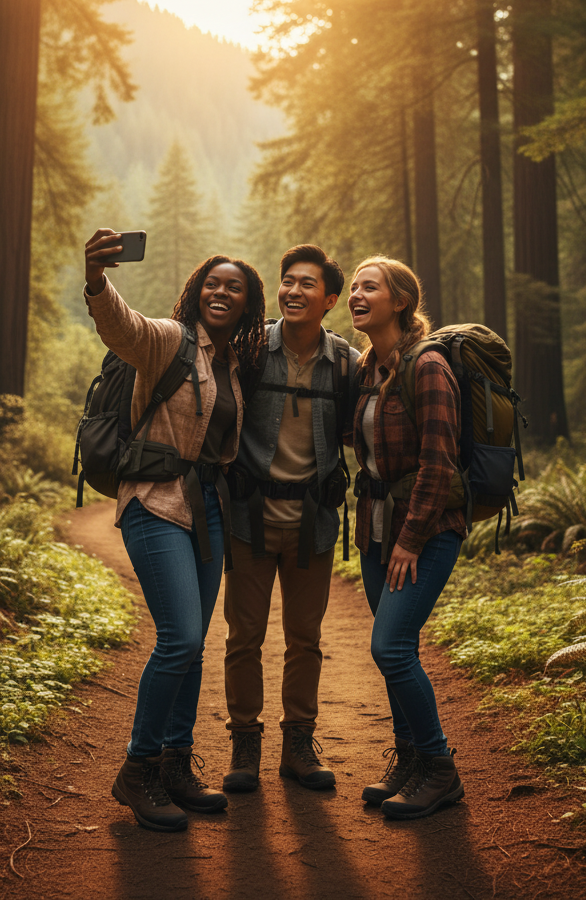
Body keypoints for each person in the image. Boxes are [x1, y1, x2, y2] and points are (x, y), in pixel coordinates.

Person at [83, 227, 266, 832]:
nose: (221, 291)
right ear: (196, 291)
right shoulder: (168, 340)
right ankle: (137, 771)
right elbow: (122, 325)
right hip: (155, 501)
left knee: (192, 651)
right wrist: (96, 280)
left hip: (208, 510)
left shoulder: (234, 362)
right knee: (180, 639)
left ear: (247, 303)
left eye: (234, 287)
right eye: (213, 282)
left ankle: (176, 765)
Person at [223, 244, 359, 792]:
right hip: (249, 519)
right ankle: (244, 745)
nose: (293, 291)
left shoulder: (347, 363)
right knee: (243, 637)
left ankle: (299, 744)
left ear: (330, 300)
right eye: (287, 281)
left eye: (307, 285)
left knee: (305, 638)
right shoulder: (250, 350)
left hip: (312, 524)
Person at [347, 255, 467, 819]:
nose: (356, 294)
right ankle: (409, 759)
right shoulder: (369, 366)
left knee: (389, 647)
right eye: (352, 287)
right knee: (400, 649)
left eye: (369, 287)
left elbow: (438, 464)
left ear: (400, 301)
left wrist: (411, 539)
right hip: (377, 530)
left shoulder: (428, 366)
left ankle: (440, 770)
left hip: (425, 530)